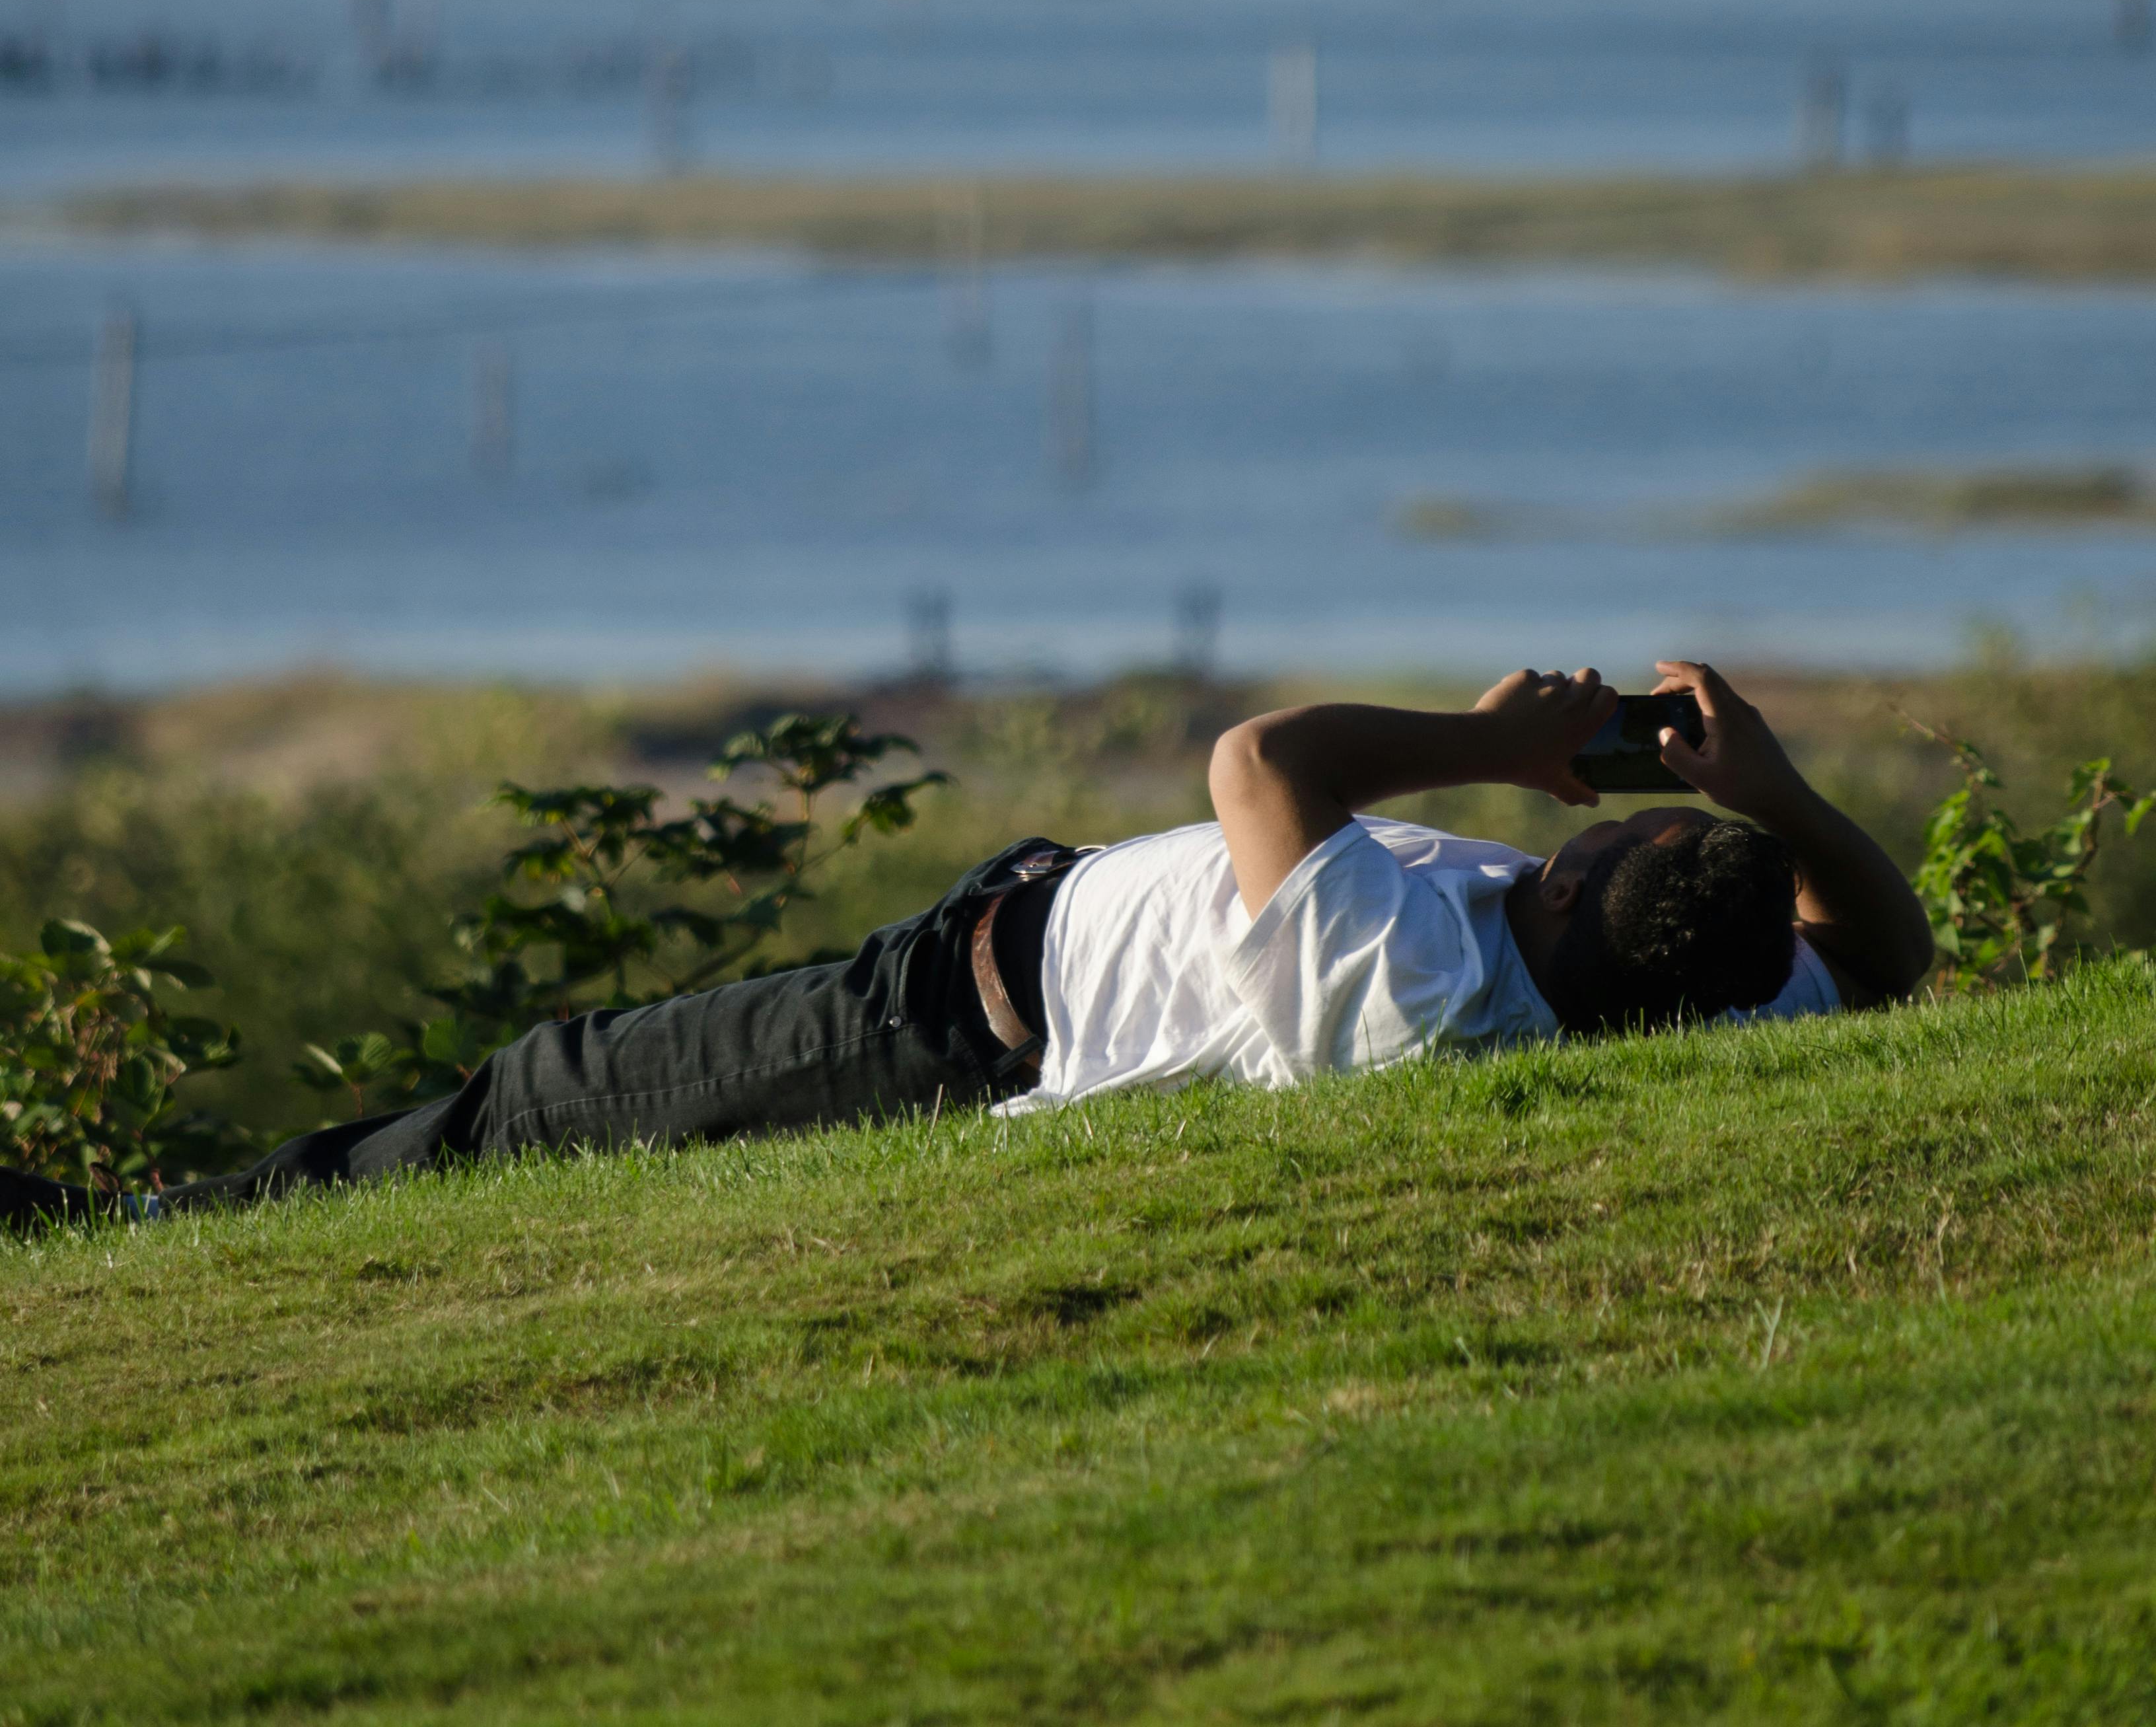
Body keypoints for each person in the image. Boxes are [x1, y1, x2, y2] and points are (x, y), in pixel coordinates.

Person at [1, 660, 1929, 1230]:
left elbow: (1266, 756)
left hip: (946, 1020)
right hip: (985, 965)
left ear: (1586, 908)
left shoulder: (1427, 993)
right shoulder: (1706, 995)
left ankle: (128, 1238)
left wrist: (1494, 743)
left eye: (1581, 847)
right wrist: (1773, 799)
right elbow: (1893, 961)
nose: (1537, 850)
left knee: (540, 1101)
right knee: (536, 1111)